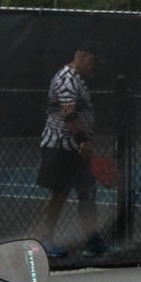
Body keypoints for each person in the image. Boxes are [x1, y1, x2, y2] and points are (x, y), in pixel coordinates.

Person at [36, 40, 109, 259]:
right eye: (92, 61)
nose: (93, 67)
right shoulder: (66, 79)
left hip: (77, 149)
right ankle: (44, 241)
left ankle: (92, 240)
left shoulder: (78, 79)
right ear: (82, 56)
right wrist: (83, 141)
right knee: (59, 194)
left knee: (87, 193)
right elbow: (69, 113)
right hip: (61, 147)